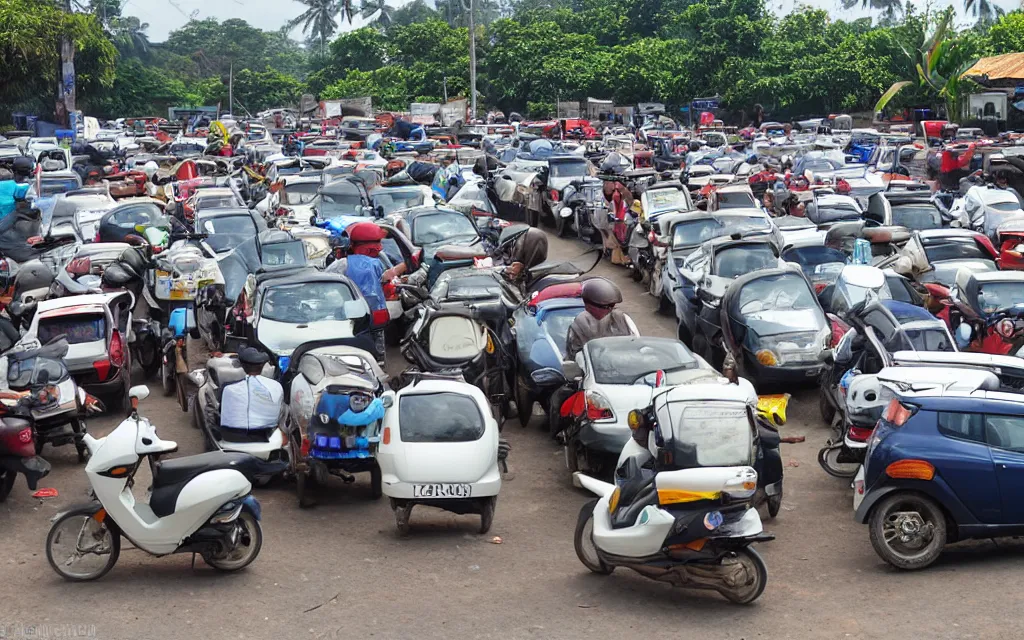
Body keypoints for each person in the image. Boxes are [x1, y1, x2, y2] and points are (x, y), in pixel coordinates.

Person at [565, 278, 639, 360]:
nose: (610, 309)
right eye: (606, 307)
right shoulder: (580, 323)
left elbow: (636, 344)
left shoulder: (623, 318)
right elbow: (574, 356)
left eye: (612, 305)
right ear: (589, 306)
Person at [220, 347, 284, 433]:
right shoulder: (276, 386)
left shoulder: (228, 389)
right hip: (266, 434)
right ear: (262, 366)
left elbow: (222, 410)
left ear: (242, 366)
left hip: (232, 435)